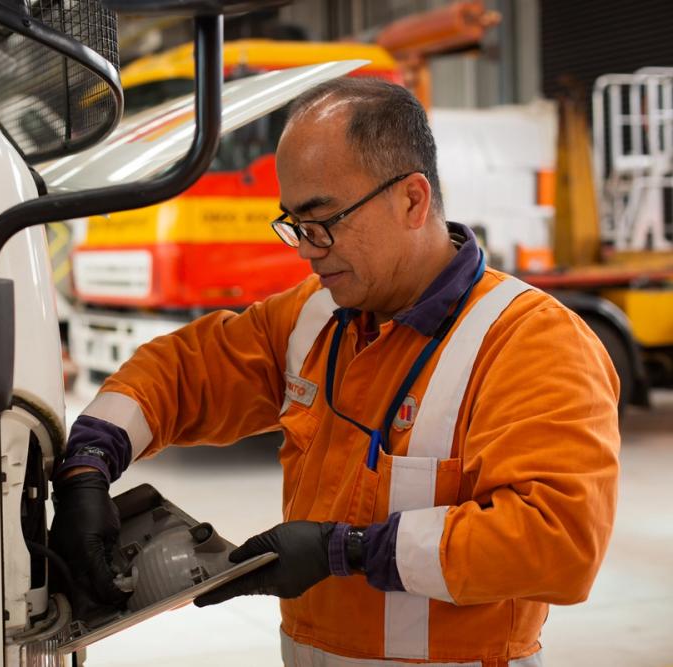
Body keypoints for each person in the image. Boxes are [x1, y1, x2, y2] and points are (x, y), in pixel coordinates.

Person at [49, 77, 620, 666]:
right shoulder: (314, 317)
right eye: (294, 223)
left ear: (412, 201)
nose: (305, 248)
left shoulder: (529, 342)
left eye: (323, 219)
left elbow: (560, 543)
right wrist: (88, 467)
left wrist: (347, 550)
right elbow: (180, 373)